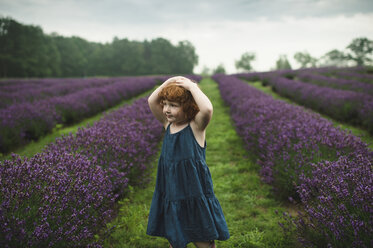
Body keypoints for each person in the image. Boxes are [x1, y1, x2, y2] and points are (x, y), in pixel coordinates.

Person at [146, 76, 230, 248]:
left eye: (174, 105)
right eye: (166, 104)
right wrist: (168, 83)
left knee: (203, 239)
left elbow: (206, 109)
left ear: (189, 107)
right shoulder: (167, 125)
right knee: (175, 237)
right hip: (173, 192)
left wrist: (192, 87)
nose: (167, 110)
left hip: (194, 192)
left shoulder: (196, 127)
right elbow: (151, 100)